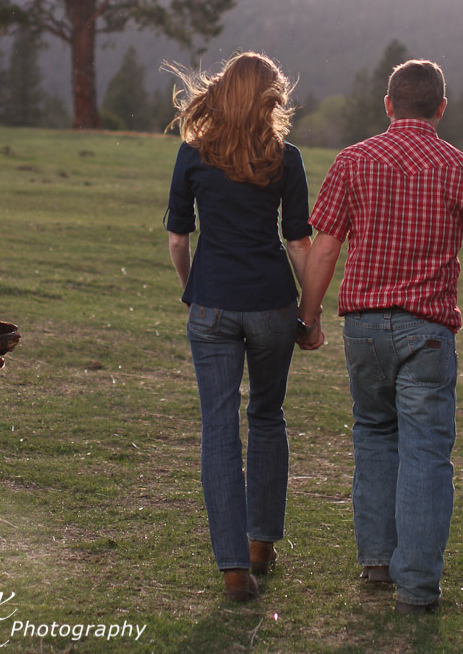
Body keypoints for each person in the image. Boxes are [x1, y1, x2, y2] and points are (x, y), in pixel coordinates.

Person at [296, 59, 463, 615]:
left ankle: (376, 561)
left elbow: (324, 248)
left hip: (363, 327)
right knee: (427, 453)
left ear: (388, 105)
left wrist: (310, 316)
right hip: (430, 332)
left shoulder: (353, 161)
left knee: (373, 434)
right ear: (441, 107)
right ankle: (417, 587)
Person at [164, 52, 313, 602]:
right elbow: (299, 242)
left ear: (222, 92)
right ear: (270, 98)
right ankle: (260, 544)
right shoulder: (286, 158)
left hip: (213, 306)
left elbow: (179, 238)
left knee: (219, 430)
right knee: (268, 416)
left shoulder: (193, 154)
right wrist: (312, 310)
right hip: (274, 305)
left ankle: (233, 569)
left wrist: (191, 289)